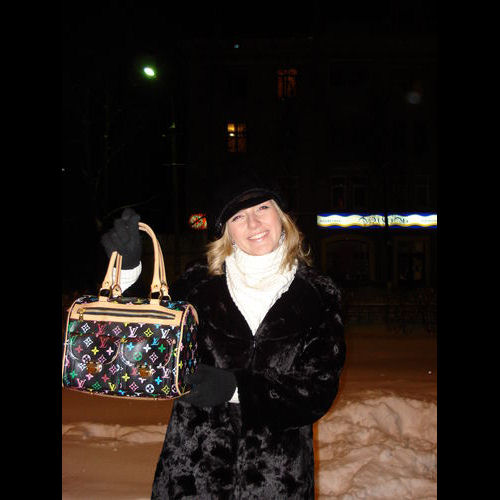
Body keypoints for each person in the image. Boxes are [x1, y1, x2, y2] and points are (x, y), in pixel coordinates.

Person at [101, 171, 346, 499]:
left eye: (262, 208)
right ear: (226, 230)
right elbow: (145, 352)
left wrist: (236, 388)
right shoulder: (198, 286)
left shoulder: (319, 295)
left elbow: (317, 391)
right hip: (192, 479)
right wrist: (128, 273)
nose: (254, 223)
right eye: (238, 216)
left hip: (278, 482)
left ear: (281, 216)